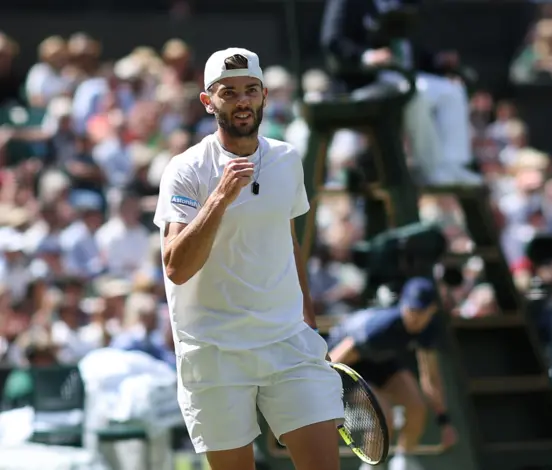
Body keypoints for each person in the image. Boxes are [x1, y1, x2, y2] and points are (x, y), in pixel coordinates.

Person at [153, 47, 344, 470]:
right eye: (229, 91)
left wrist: (308, 323)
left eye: (250, 90)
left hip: (287, 343)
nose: (242, 100)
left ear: (264, 96)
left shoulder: (287, 159)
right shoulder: (185, 170)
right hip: (213, 351)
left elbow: (288, 240)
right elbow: (176, 266)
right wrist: (220, 198)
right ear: (208, 101)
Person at [320, 0, 480, 185]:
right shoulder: (348, 3)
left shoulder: (401, 3)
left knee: (452, 91)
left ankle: (454, 166)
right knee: (415, 93)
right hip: (366, 83)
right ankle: (430, 169)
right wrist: (366, 56)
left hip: (405, 77)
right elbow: (332, 40)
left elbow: (409, 50)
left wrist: (436, 61)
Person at [328, 277, 457, 470]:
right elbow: (335, 359)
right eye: (411, 309)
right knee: (383, 416)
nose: (415, 316)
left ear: (432, 310)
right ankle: (371, 465)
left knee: (417, 406)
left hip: (384, 363)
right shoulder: (380, 327)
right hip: (350, 367)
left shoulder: (429, 330)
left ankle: (403, 461)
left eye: (421, 311)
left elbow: (430, 378)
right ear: (403, 305)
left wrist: (444, 420)